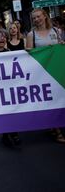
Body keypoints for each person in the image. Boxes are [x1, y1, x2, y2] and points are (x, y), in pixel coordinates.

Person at [26, 8, 65, 143]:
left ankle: (55, 125)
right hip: (43, 72)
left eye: (38, 16)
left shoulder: (56, 31)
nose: (36, 19)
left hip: (58, 69)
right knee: (51, 100)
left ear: (45, 16)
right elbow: (29, 53)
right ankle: (58, 130)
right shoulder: (32, 35)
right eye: (34, 18)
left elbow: (61, 46)